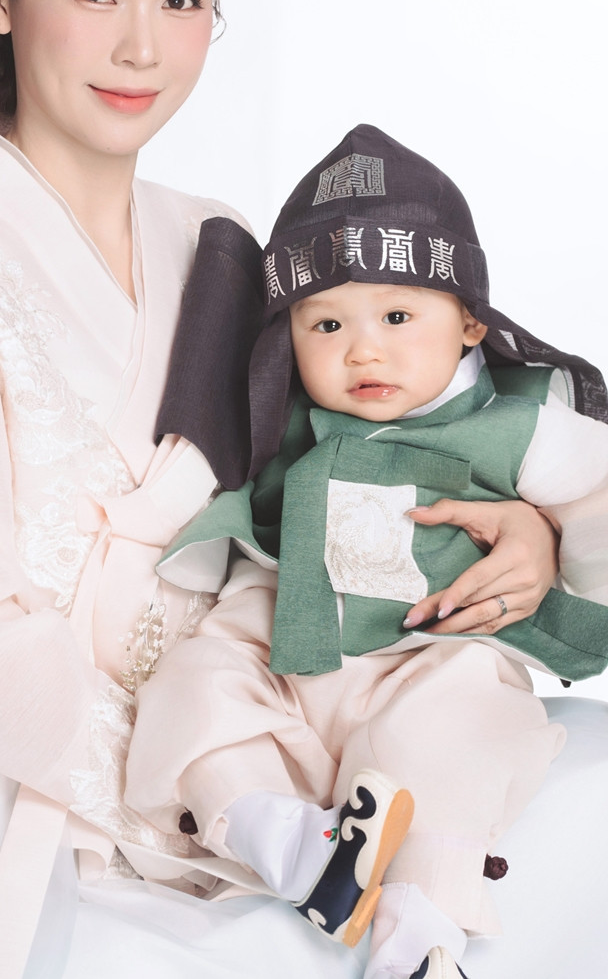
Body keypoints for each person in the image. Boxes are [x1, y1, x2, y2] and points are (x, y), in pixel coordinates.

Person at [0, 0, 561, 979]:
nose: (141, 49)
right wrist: (208, 791)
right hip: (14, 777)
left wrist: (520, 532)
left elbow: (331, 470)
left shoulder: (218, 243)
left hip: (251, 731)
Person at [124, 124, 608, 979]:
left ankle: (418, 933)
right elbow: (231, 506)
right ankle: (289, 841)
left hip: (433, 651)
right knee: (198, 681)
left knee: (453, 733)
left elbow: (598, 491)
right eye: (326, 323)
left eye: (396, 315)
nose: (362, 349)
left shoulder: (515, 427)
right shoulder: (286, 423)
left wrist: (557, 540)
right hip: (289, 638)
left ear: (469, 321)